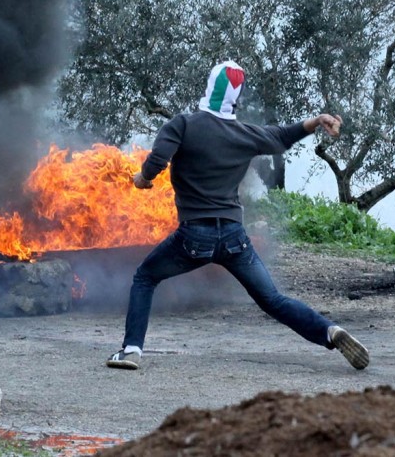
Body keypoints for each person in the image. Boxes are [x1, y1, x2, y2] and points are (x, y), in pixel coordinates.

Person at [106, 60, 370, 371]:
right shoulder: (244, 134)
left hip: (194, 236)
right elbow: (282, 136)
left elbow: (157, 161)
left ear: (208, 88)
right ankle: (328, 330)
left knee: (146, 277)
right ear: (237, 98)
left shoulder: (183, 124)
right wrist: (316, 122)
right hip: (233, 236)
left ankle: (132, 349)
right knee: (272, 300)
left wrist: (142, 179)